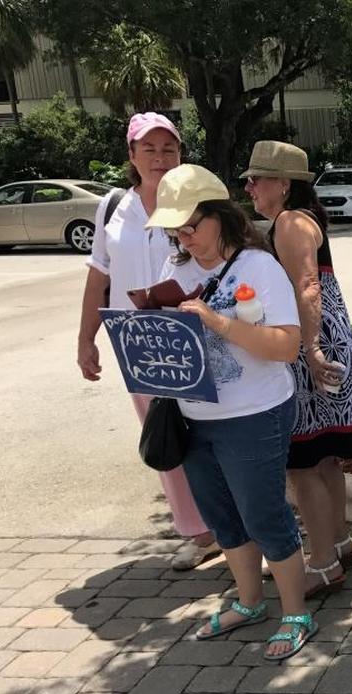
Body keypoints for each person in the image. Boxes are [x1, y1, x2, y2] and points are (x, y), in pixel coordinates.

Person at [146, 164, 317, 661]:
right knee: (223, 518)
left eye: (192, 226)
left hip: (254, 413)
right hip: (193, 416)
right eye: (176, 230)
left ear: (220, 216)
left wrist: (216, 321)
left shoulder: (258, 267)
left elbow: (286, 346)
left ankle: (295, 612)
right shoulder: (174, 271)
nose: (185, 238)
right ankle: (248, 601)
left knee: (264, 514)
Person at [76, 113, 219, 570]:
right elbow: (100, 274)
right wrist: (86, 339)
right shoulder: (113, 206)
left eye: (169, 149)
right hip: (135, 343)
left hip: (189, 336)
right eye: (149, 149)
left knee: (212, 435)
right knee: (165, 435)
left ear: (181, 154)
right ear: (132, 155)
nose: (160, 158)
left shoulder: (198, 201)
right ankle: (198, 532)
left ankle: (235, 527)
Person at [242, 141, 352, 596]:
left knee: (304, 462)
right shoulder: (299, 220)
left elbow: (308, 287)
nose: (250, 186)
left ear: (284, 184)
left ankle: (322, 563)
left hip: (309, 346)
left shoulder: (291, 223)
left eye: (258, 179)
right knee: (326, 456)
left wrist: (309, 350)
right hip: (327, 340)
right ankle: (339, 542)